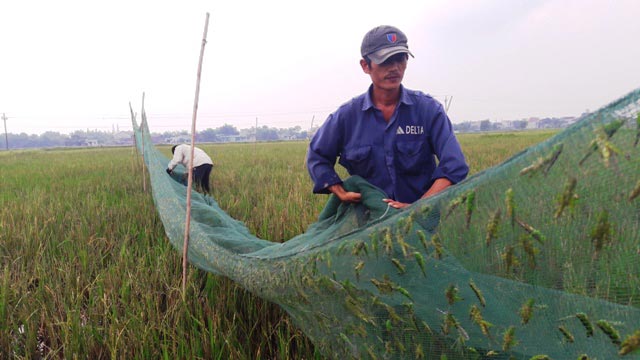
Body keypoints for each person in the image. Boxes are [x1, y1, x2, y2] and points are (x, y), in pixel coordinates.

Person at [307, 25, 469, 209]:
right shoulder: (347, 117)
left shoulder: (428, 110)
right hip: (369, 223)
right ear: (365, 66)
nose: (394, 68)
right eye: (385, 61)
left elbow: (454, 164)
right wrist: (339, 191)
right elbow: (317, 155)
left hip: (422, 221)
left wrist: (417, 208)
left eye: (400, 59)